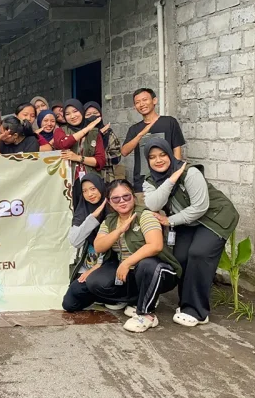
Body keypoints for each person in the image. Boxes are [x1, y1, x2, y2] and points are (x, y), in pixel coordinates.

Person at [142, 139, 239, 327]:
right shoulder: (150, 181)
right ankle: (185, 303)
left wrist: (170, 220)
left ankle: (197, 311)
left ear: (170, 154)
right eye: (152, 157)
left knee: (199, 253)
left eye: (162, 154)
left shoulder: (190, 173)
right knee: (180, 257)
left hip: (215, 218)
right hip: (187, 221)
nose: (158, 160)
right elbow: (153, 204)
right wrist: (171, 180)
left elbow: (200, 207)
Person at [63, 180, 181, 334]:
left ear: (133, 197)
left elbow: (155, 245)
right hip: (126, 275)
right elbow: (99, 246)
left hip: (159, 272)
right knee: (72, 300)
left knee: (147, 266)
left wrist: (127, 263)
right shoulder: (110, 220)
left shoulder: (144, 215)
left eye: (126, 196)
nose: (122, 201)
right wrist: (119, 231)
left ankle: (145, 314)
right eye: (116, 199)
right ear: (110, 202)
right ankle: (136, 299)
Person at [62, 174, 127, 311]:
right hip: (90, 262)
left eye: (93, 189)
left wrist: (97, 266)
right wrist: (92, 217)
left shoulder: (114, 208)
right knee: (69, 303)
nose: (89, 194)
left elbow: (115, 246)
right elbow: (75, 241)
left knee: (95, 283)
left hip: (112, 262)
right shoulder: (83, 210)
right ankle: (102, 296)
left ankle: (121, 296)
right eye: (84, 191)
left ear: (101, 188)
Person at [121, 88, 186, 194]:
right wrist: (141, 134)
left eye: (145, 100)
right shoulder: (134, 129)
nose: (141, 104)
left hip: (168, 179)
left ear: (154, 101)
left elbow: (177, 150)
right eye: (137, 102)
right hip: (143, 181)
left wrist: (175, 175)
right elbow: (124, 152)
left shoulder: (169, 122)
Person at [55, 100, 106, 206]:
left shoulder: (95, 133)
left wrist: (78, 158)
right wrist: (86, 129)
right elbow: (63, 144)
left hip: (92, 181)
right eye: (67, 114)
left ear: (82, 112)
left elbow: (100, 161)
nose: (72, 116)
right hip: (69, 182)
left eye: (75, 111)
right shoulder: (60, 131)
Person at [84, 102, 122, 182]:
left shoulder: (108, 133)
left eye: (95, 113)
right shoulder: (80, 135)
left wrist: (96, 159)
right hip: (85, 176)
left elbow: (116, 157)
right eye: (88, 114)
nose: (92, 116)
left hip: (106, 177)